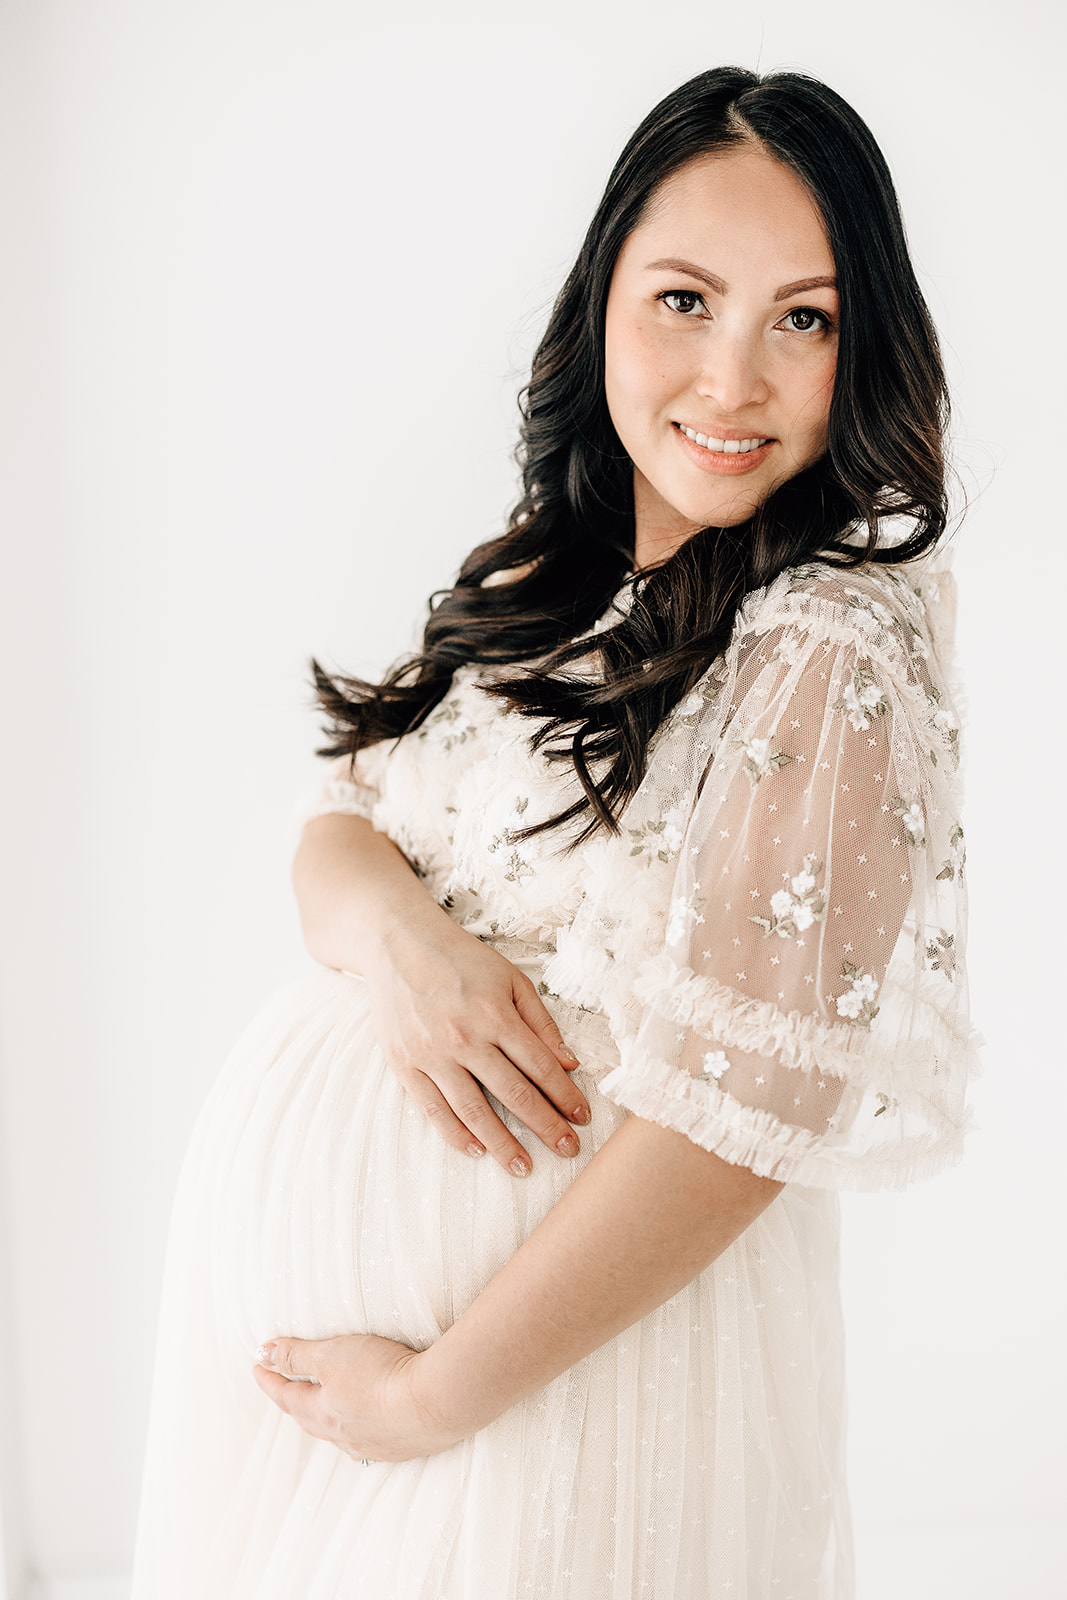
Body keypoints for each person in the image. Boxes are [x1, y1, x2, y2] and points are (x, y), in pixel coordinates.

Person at [131, 65, 975, 1600]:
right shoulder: (548, 574)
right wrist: (405, 946)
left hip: (553, 1398)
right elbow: (336, 831)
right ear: (601, 303)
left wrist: (437, 1394)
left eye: (806, 318)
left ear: (865, 354)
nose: (733, 377)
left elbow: (749, 1114)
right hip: (359, 1410)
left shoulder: (832, 643)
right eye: (684, 299)